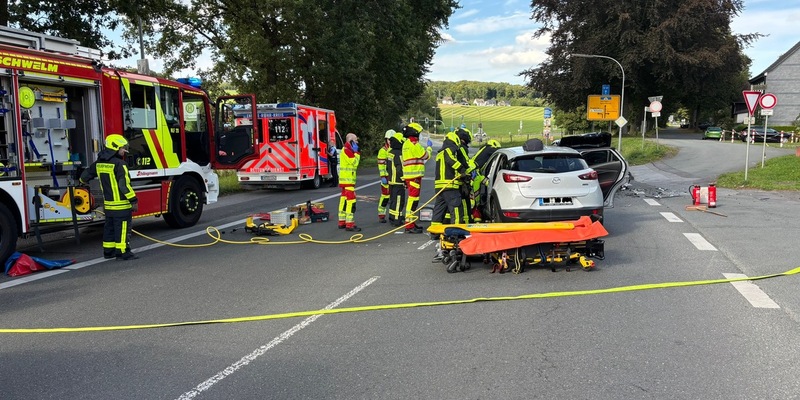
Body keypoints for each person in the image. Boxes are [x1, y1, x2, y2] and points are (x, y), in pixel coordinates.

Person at [79, 134, 139, 260]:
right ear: (115, 147)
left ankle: (108, 251)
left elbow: (84, 177)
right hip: (121, 205)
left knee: (109, 228)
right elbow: (124, 186)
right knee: (122, 229)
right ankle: (123, 252)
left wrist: (84, 184)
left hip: (109, 205)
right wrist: (133, 200)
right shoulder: (120, 164)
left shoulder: (99, 163)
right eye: (122, 148)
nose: (124, 151)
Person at [430, 131, 467, 231]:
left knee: (439, 210)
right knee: (456, 210)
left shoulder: (440, 153)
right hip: (450, 186)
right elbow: (451, 160)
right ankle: (456, 233)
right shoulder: (450, 149)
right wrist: (462, 170)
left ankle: (435, 231)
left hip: (439, 187)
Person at [401, 122, 433, 233]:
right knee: (413, 201)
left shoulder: (406, 144)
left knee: (413, 200)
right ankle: (409, 225)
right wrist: (429, 148)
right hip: (414, 176)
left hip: (410, 176)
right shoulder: (413, 144)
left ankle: (411, 223)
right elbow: (425, 155)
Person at [337, 133, 361, 231]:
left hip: (344, 181)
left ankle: (342, 221)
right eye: (355, 140)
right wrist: (357, 153)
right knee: (351, 201)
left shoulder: (345, 150)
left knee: (343, 200)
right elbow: (355, 163)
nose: (357, 142)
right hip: (348, 181)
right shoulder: (348, 151)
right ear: (350, 141)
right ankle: (349, 224)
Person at [385, 131, 406, 226]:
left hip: (391, 181)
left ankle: (392, 217)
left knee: (393, 201)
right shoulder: (399, 154)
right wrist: (404, 179)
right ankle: (397, 219)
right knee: (398, 201)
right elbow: (400, 168)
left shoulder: (390, 153)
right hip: (398, 182)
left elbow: (387, 167)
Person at [376, 129, 394, 223]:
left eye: (391, 139)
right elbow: (381, 165)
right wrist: (383, 176)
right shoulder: (383, 151)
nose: (390, 141)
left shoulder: (396, 150)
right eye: (388, 139)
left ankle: (393, 215)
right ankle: (381, 215)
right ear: (386, 140)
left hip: (394, 177)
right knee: (385, 196)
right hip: (386, 177)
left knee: (394, 197)